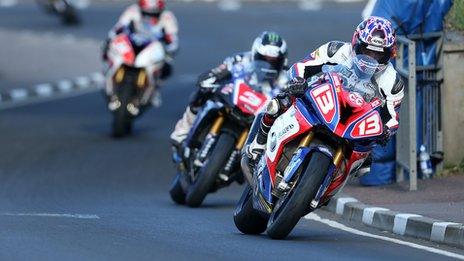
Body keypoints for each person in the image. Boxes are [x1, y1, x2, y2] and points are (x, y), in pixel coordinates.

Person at [245, 16, 404, 167]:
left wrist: (386, 130)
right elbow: (303, 66)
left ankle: (327, 186)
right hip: (321, 97)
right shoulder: (335, 49)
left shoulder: (393, 82)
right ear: (356, 43)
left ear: (390, 54)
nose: (371, 58)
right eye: (367, 51)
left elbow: (392, 116)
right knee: (279, 102)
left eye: (379, 54)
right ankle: (258, 144)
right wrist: (298, 81)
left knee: (365, 161)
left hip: (354, 119)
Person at [170, 31, 289, 145]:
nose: (268, 66)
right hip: (233, 99)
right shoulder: (241, 59)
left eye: (274, 62)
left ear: (282, 62)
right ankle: (181, 132)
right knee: (201, 94)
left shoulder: (285, 79)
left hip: (257, 114)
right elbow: (219, 71)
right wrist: (211, 78)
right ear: (255, 54)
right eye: (263, 59)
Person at [103, 0, 179, 106]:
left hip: (152, 47)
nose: (150, 16)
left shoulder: (167, 17)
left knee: (167, 66)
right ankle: (108, 78)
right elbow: (118, 28)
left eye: (154, 14)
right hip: (132, 42)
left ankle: (155, 90)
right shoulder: (132, 11)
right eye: (146, 13)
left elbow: (173, 38)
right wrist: (110, 39)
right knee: (108, 51)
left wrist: (170, 48)